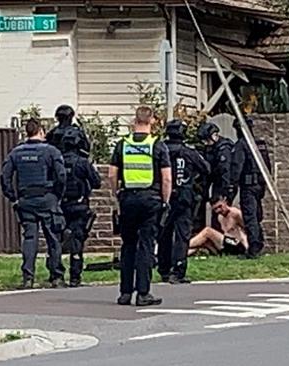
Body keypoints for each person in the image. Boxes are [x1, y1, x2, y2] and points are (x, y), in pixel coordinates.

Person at [109, 106, 172, 306]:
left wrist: (116, 194)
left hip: (128, 198)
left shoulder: (122, 144)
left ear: (134, 121)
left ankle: (125, 292)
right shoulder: (158, 145)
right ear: (152, 120)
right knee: (145, 245)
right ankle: (143, 293)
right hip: (151, 200)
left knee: (128, 245)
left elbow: (111, 174)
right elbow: (167, 178)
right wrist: (166, 201)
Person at [2, 118, 67, 289]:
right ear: (41, 131)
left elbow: (5, 177)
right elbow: (61, 175)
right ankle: (56, 277)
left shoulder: (16, 153)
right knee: (53, 238)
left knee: (30, 238)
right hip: (47, 199)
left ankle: (28, 277)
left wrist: (13, 197)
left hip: (26, 201)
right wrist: (57, 196)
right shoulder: (51, 152)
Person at [157, 119, 211, 284]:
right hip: (184, 197)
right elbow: (206, 168)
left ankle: (164, 269)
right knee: (182, 235)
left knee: (164, 233)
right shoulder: (188, 152)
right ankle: (178, 270)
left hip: (163, 197)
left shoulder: (160, 149)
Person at [60, 128, 102, 287]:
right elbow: (97, 182)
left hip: (62, 206)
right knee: (77, 241)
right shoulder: (83, 162)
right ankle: (75, 276)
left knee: (57, 240)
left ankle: (56, 274)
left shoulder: (58, 159)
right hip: (79, 205)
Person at [229, 117, 271, 259]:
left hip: (248, 186)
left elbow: (236, 168)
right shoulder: (260, 144)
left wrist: (231, 188)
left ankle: (254, 247)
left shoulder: (241, 145)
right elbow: (267, 167)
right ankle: (258, 243)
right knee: (257, 216)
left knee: (250, 216)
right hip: (260, 185)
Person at [197, 122, 234, 204]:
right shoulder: (210, 148)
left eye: (207, 140)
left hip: (223, 184)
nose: (205, 143)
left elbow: (225, 170)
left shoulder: (224, 149)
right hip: (217, 182)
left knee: (219, 208)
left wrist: (226, 191)